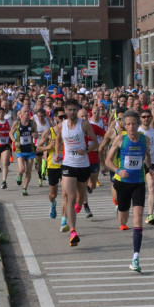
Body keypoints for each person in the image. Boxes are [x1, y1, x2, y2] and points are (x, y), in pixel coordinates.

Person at [105, 109, 154, 272]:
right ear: (124, 126)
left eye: (134, 123)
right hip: (122, 183)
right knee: (123, 219)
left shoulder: (145, 139)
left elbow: (146, 155)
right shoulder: (120, 139)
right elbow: (107, 161)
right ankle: (120, 210)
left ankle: (136, 257)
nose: (131, 126)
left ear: (138, 124)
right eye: (128, 124)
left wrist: (149, 168)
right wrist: (118, 171)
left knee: (138, 217)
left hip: (138, 183)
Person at [55, 98, 99, 246]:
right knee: (70, 196)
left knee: (80, 198)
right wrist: (57, 153)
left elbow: (95, 143)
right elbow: (58, 140)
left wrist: (85, 150)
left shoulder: (84, 124)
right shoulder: (61, 126)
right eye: (70, 110)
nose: (72, 112)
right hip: (68, 164)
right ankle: (73, 231)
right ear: (65, 111)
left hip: (83, 164)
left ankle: (80, 205)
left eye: (74, 109)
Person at [138, 108, 154, 225]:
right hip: (139, 164)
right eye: (143, 117)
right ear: (140, 119)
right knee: (138, 189)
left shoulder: (153, 130)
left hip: (152, 163)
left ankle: (150, 215)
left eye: (148, 116)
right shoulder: (138, 131)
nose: (146, 119)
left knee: (152, 188)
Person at [11, 106, 38, 196]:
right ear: (21, 113)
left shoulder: (32, 123)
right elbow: (10, 133)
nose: (26, 113)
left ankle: (24, 188)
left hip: (30, 149)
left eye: (28, 111)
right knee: (22, 168)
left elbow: (36, 133)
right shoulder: (17, 123)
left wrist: (35, 135)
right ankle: (19, 175)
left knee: (28, 171)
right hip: (20, 149)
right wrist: (15, 141)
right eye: (25, 111)